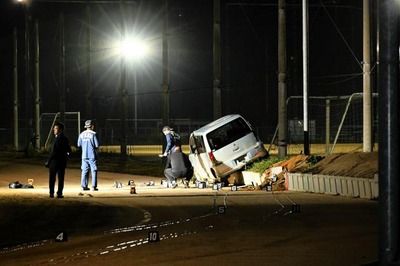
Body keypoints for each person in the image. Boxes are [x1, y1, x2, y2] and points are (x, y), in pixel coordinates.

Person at [46, 122, 71, 198]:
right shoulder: (65, 139)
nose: (54, 130)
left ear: (61, 130)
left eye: (56, 129)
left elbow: (53, 151)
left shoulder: (57, 139)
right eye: (54, 129)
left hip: (54, 161)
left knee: (52, 178)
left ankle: (51, 193)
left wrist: (48, 161)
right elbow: (69, 150)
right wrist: (66, 154)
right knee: (61, 178)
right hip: (62, 161)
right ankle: (59, 193)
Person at [77, 120, 100, 191]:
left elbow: (78, 144)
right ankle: (94, 186)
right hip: (92, 155)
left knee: (84, 171)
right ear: (92, 126)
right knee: (94, 170)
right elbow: (97, 145)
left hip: (84, 155)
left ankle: (84, 186)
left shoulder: (81, 134)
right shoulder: (93, 134)